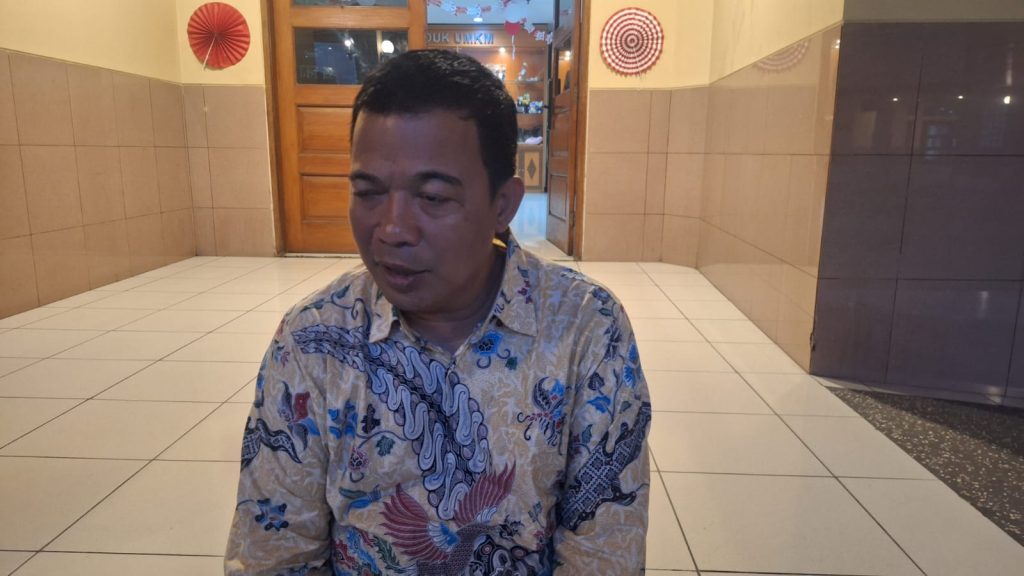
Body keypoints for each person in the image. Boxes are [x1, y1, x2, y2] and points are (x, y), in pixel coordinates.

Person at [225, 49, 651, 575]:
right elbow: (275, 552)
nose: (392, 229)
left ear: (503, 204)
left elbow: (603, 554)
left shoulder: (588, 329)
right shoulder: (312, 339)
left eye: (432, 197)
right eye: (368, 192)